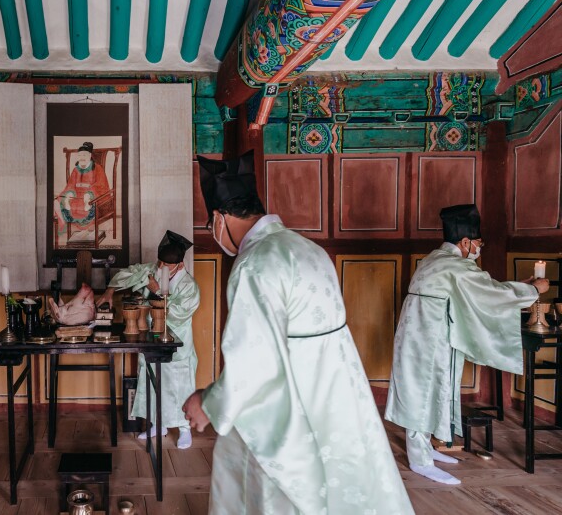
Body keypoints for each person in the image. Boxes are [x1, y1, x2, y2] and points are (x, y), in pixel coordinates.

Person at [182, 152, 413, 514]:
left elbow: (255, 360)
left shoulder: (255, 264)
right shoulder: (309, 249)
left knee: (270, 490)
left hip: (291, 404)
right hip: (338, 397)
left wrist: (208, 402)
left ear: (219, 218)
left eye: (213, 224)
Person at [385, 204, 548, 486]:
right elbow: (490, 292)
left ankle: (425, 449)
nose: (478, 248)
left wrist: (515, 288)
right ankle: (419, 459)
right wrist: (533, 290)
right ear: (465, 241)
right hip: (429, 339)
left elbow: (481, 290)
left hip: (423, 335)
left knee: (429, 391)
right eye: (478, 243)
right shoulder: (455, 266)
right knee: (423, 394)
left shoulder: (435, 259)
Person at [96, 230, 200, 449]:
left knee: (179, 386)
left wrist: (156, 292)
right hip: (152, 336)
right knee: (152, 380)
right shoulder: (153, 270)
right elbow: (130, 273)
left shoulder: (189, 286)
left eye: (166, 265)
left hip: (177, 342)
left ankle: (184, 429)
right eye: (159, 262)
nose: (160, 267)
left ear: (180, 265)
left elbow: (178, 313)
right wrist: (110, 291)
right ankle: (157, 424)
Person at [54, 141, 111, 236]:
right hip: (76, 195)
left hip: (91, 195)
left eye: (84, 155)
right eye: (80, 155)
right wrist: (69, 194)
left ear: (89, 155)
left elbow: (101, 185)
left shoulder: (97, 168)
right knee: (57, 201)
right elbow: (71, 185)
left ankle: (85, 230)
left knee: (86, 205)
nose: (82, 158)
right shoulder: (76, 169)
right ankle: (63, 222)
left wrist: (89, 194)